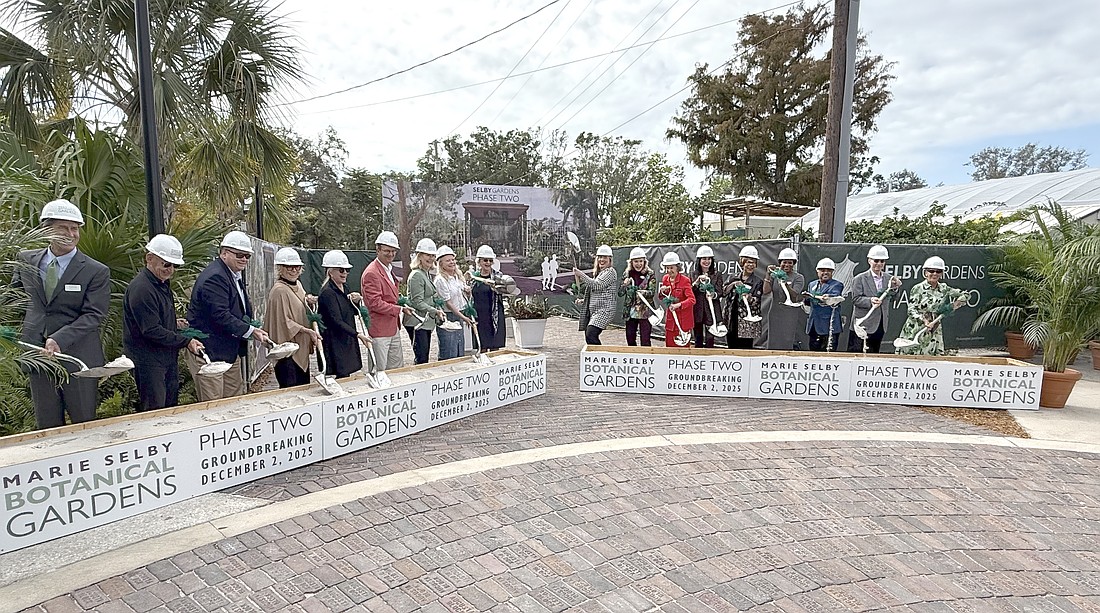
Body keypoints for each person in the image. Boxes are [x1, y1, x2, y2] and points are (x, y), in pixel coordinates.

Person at [14, 199, 110, 428]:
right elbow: (14, 299)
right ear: (46, 229)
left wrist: (60, 338)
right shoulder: (25, 259)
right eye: (63, 228)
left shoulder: (95, 271)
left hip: (77, 358)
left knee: (83, 425)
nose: (71, 234)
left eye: (74, 228)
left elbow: (94, 314)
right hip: (37, 354)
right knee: (46, 425)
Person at [186, 230, 270, 402]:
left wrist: (248, 325)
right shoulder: (215, 277)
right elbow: (220, 315)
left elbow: (236, 310)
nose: (244, 259)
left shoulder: (232, 275)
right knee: (214, 407)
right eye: (239, 255)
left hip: (229, 352)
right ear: (224, 253)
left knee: (235, 403)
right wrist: (250, 330)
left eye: (247, 256)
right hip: (209, 353)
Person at [123, 234, 203, 411]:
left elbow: (155, 319)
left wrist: (173, 323)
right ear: (149, 259)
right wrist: (186, 341)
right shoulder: (142, 288)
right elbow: (150, 329)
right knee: (156, 411)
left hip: (166, 358)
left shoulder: (160, 283)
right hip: (149, 361)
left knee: (169, 407)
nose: (171, 270)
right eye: (166, 264)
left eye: (174, 265)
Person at [265, 247, 321, 388]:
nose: (293, 270)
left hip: (300, 349)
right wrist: (307, 331)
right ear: (280, 268)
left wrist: (308, 300)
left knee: (303, 388)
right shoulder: (279, 291)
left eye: (296, 266)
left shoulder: (298, 285)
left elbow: (299, 304)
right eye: (289, 267)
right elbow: (283, 323)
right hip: (288, 354)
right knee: (291, 391)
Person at [896, 256, 970, 356]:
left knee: (933, 358)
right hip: (916, 327)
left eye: (938, 271)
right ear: (925, 273)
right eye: (931, 271)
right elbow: (911, 309)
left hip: (934, 329)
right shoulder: (917, 288)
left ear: (942, 273)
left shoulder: (944, 288)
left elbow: (966, 295)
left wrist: (954, 305)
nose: (934, 274)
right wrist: (924, 320)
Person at [361, 230, 413, 371]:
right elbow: (375, 303)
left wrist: (401, 302)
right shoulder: (371, 273)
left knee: (396, 369)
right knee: (380, 371)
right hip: (379, 330)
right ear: (377, 249)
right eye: (387, 251)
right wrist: (399, 309)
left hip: (392, 327)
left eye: (393, 251)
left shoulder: (389, 269)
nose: (391, 254)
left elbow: (390, 296)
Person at [319, 250, 370, 378]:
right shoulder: (327, 293)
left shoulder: (344, 288)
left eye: (347, 270)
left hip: (346, 338)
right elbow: (335, 320)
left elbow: (351, 311)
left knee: (347, 374)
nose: (345, 273)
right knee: (342, 375)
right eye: (341, 270)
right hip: (335, 342)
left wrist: (356, 302)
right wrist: (358, 335)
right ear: (330, 272)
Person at [847, 244, 902, 353]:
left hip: (880, 324)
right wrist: (870, 300)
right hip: (862, 324)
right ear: (869, 261)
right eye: (876, 261)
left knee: (873, 355)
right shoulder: (859, 278)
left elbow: (895, 297)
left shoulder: (889, 279)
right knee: (856, 354)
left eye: (882, 261)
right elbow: (856, 299)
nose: (879, 264)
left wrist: (896, 288)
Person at [403, 238, 446, 364]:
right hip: (416, 322)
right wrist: (435, 311)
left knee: (424, 358)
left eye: (433, 255)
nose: (431, 258)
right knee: (421, 359)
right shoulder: (416, 275)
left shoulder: (425, 273)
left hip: (424, 322)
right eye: (428, 255)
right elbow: (417, 302)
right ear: (419, 256)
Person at [574, 245, 618, 345]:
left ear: (610, 259)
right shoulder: (599, 273)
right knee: (589, 336)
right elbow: (596, 292)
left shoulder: (610, 271)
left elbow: (597, 285)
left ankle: (601, 358)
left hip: (604, 311)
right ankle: (594, 357)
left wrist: (581, 275)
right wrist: (583, 301)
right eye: (600, 257)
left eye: (605, 257)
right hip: (594, 312)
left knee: (591, 334)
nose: (602, 260)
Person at [434, 245, 473, 360]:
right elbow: (449, 304)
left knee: (459, 350)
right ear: (440, 264)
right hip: (448, 317)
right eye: (448, 260)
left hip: (459, 315)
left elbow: (463, 298)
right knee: (449, 351)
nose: (452, 262)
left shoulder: (457, 277)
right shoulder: (440, 280)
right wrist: (464, 318)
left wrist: (468, 292)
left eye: (452, 260)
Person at [763, 248, 806, 351]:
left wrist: (785, 283)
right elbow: (766, 291)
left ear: (794, 264)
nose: (787, 265)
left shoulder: (798, 277)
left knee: (787, 339)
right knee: (773, 339)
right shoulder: (775, 275)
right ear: (780, 263)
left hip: (789, 314)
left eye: (790, 262)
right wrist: (768, 274)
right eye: (784, 262)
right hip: (775, 312)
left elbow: (795, 295)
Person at [723, 245, 764, 350]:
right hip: (731, 319)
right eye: (748, 262)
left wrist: (749, 297)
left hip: (748, 321)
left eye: (753, 262)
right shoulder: (733, 277)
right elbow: (723, 292)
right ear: (742, 263)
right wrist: (733, 284)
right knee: (731, 347)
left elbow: (756, 300)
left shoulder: (757, 281)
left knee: (746, 349)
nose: (751, 265)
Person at [470, 245, 507, 351]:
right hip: (479, 316)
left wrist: (498, 288)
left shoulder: (498, 276)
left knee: (495, 348)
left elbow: (508, 291)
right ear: (479, 261)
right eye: (485, 260)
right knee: (481, 347)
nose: (488, 263)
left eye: (490, 260)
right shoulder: (473, 277)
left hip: (493, 315)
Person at [804, 258, 844, 352]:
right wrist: (805, 298)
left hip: (829, 326)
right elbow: (809, 303)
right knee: (813, 354)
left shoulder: (837, 285)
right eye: (822, 270)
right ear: (817, 271)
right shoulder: (812, 284)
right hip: (813, 325)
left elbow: (834, 297)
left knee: (828, 356)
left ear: (833, 272)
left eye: (828, 271)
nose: (825, 273)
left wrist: (826, 297)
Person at [619, 247, 657, 346]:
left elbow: (652, 292)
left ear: (645, 262)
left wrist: (639, 292)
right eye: (636, 261)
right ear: (631, 262)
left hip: (645, 311)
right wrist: (624, 285)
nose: (638, 264)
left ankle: (647, 358)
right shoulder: (627, 274)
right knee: (630, 338)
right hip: (630, 311)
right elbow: (620, 293)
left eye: (641, 261)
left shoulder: (650, 274)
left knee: (645, 339)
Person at [657, 252, 695, 347]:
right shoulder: (665, 278)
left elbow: (692, 300)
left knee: (683, 350)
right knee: (669, 347)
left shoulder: (685, 280)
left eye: (671, 268)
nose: (669, 270)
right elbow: (662, 297)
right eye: (667, 268)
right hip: (671, 321)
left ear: (677, 267)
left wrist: (678, 305)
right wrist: (662, 291)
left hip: (683, 321)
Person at [691, 245, 724, 348]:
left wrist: (713, 295)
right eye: (704, 259)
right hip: (698, 310)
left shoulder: (717, 274)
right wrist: (696, 282)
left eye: (709, 259)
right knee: (698, 339)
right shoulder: (693, 274)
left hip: (712, 310)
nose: (707, 261)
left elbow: (720, 292)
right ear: (699, 260)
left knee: (710, 339)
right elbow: (690, 292)